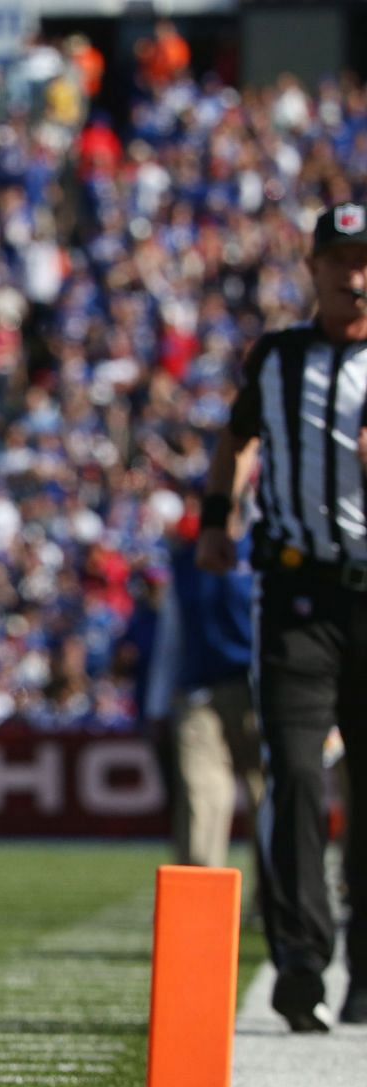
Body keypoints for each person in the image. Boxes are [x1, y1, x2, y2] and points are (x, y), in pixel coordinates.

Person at [199, 202, 367, 1032]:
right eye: (341, 259)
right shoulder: (278, 360)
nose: (355, 275)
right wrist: (213, 520)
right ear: (315, 267)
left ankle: (365, 968)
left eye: (365, 259)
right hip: (297, 595)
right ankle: (302, 959)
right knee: (297, 773)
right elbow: (236, 440)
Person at [146, 493, 261, 870]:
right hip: (198, 691)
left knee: (267, 796)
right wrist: (157, 704)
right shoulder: (184, 561)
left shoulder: (261, 551)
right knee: (201, 796)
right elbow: (171, 638)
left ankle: (274, 903)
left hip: (254, 688)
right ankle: (199, 903)